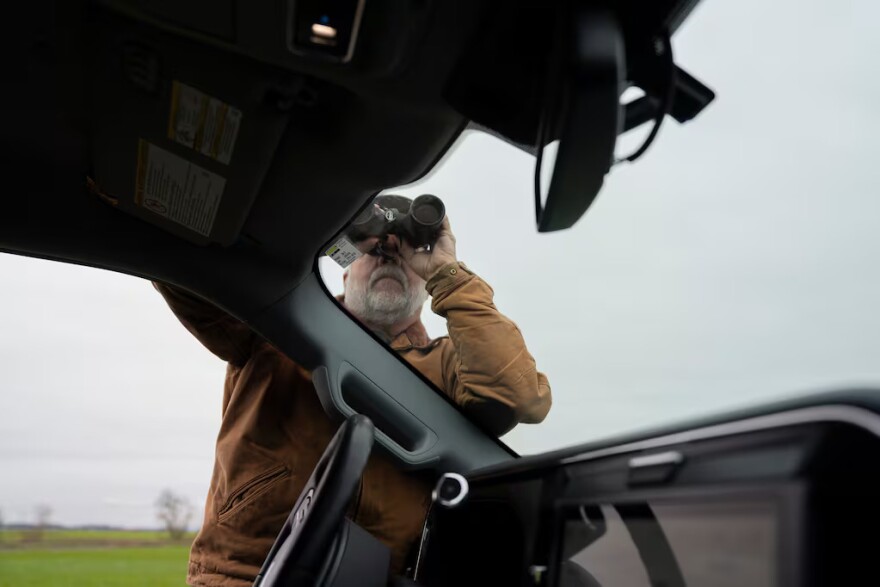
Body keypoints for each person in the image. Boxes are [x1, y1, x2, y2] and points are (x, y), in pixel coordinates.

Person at [154, 195, 552, 586]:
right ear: (345, 269)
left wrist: (446, 271)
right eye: (375, 248)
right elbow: (188, 271)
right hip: (249, 573)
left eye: (406, 254)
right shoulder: (280, 327)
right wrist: (323, 235)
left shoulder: (447, 363)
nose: (389, 257)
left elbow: (518, 396)